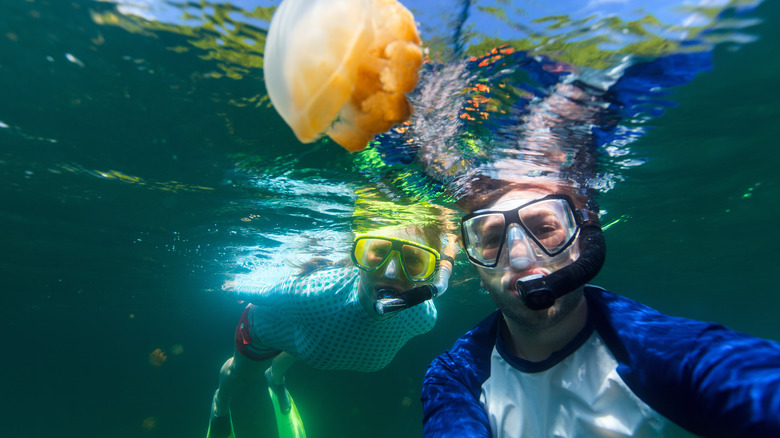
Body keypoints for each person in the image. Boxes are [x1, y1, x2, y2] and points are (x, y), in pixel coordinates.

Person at [420, 176, 780, 437]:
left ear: (584, 242)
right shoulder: (455, 376)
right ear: (477, 268)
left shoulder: (663, 351)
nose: (518, 256)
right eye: (493, 239)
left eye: (544, 229)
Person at [207, 221, 459, 438]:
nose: (392, 272)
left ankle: (275, 379)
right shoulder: (315, 294)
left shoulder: (423, 316)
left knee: (303, 342)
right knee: (240, 373)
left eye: (414, 259)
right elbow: (267, 293)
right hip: (261, 330)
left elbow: (325, 334)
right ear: (357, 257)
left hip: (307, 335)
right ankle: (220, 404)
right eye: (378, 252)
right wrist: (233, 287)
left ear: (430, 273)